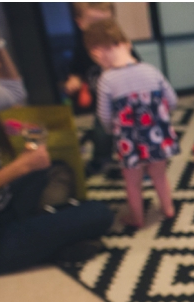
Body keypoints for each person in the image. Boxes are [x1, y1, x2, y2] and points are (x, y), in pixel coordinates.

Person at [0, 9, 114, 275]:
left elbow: (15, 90)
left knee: (56, 168)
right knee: (99, 213)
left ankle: (45, 232)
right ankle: (50, 238)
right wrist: (23, 165)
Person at [86, 19, 179, 228]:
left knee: (133, 183)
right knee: (159, 176)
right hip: (157, 136)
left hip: (129, 142)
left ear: (97, 54)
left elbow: (104, 116)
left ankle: (138, 219)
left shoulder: (107, 80)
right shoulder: (150, 70)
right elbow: (172, 100)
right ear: (127, 44)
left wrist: (113, 131)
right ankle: (168, 209)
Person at [64, 2, 127, 176]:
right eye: (94, 25)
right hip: (102, 103)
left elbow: (135, 64)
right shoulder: (81, 49)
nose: (100, 31)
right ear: (81, 23)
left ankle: (134, 161)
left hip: (124, 102)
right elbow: (76, 70)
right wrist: (74, 80)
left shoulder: (118, 44)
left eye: (105, 24)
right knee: (102, 132)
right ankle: (101, 159)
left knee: (129, 134)